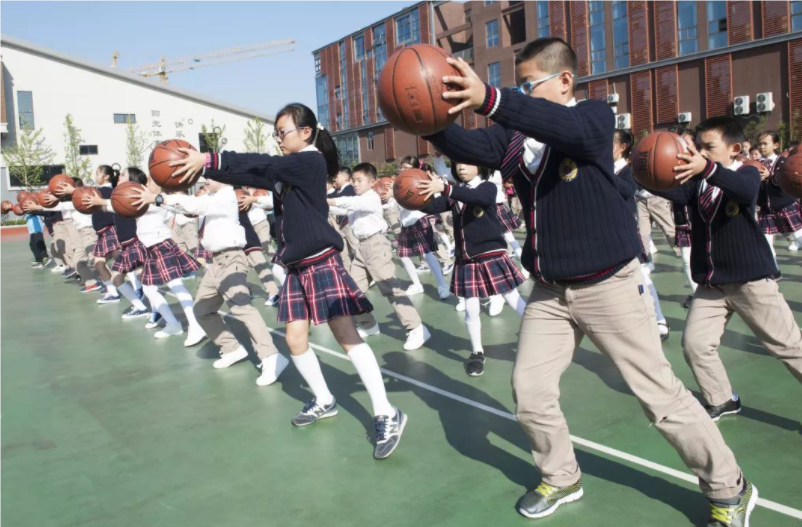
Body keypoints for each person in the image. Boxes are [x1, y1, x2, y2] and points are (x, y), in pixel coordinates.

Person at [424, 36, 755, 524]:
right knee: (530, 390)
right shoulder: (514, 139)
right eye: (516, 86)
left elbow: (570, 131)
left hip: (608, 284)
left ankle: (730, 487)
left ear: (564, 81)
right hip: (550, 291)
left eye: (528, 85)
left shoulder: (594, 118)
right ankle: (561, 476)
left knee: (658, 395)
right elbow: (466, 144)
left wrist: (491, 99)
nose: (520, 93)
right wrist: (426, 115)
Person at [166, 102, 408, 459]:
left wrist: (208, 157)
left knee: (346, 336)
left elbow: (266, 164)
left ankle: (387, 412)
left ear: (305, 132)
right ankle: (324, 399)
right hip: (297, 266)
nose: (278, 139)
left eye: (283, 132)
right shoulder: (288, 168)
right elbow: (254, 171)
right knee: (295, 341)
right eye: (276, 134)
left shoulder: (310, 162)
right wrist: (203, 171)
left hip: (321, 261)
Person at [651, 116, 802, 424]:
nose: (700, 153)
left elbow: (745, 192)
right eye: (697, 147)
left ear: (734, 149)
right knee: (695, 345)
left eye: (708, 147)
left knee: (789, 346)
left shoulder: (746, 172)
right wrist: (645, 172)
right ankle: (723, 399)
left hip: (751, 281)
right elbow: (669, 187)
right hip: (712, 284)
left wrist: (707, 168)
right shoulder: (696, 182)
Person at [419, 162, 525, 376]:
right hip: (466, 260)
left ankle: (541, 335)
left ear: (481, 166)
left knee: (514, 299)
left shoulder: (487, 187)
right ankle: (477, 352)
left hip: (491, 255)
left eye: (468, 163)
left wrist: (445, 188)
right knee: (471, 309)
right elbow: (430, 207)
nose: (461, 167)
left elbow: (479, 198)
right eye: (458, 163)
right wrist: (412, 192)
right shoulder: (455, 193)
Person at [328, 162, 431, 350]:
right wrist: (322, 206)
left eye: (359, 180)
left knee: (391, 288)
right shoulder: (359, 200)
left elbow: (349, 203)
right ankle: (369, 325)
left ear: (372, 182)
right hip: (361, 248)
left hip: (376, 245)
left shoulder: (371, 198)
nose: (355, 184)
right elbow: (343, 209)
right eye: (353, 180)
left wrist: (327, 201)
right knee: (352, 290)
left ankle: (417, 328)